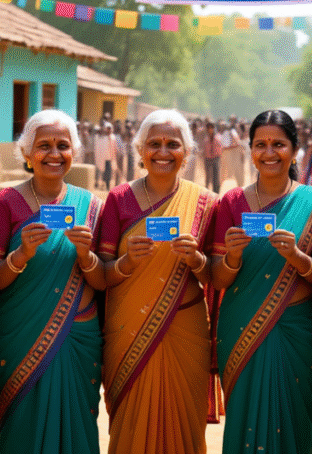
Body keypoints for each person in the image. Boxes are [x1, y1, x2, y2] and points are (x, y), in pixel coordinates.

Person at [212, 109, 312, 454]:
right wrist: (233, 258)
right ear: (249, 150)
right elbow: (217, 279)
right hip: (241, 328)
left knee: (293, 424)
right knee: (246, 420)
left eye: (279, 144)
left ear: (295, 150)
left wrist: (297, 257)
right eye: (261, 144)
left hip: (297, 331)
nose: (269, 153)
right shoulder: (232, 203)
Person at [0, 110, 106, 454]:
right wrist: (20, 254)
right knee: (22, 432)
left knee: (76, 430)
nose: (54, 154)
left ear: (74, 152)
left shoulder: (91, 206)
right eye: (44, 146)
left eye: (62, 145)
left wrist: (86, 256)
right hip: (20, 336)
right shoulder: (5, 204)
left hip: (76, 338)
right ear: (26, 153)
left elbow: (103, 281)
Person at [98, 109, 218, 454]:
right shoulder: (119, 200)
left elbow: (216, 275)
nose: (163, 152)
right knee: (132, 422)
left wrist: (196, 259)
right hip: (128, 328)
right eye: (154, 144)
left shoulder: (206, 203)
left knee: (183, 420)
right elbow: (100, 275)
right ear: (140, 150)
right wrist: (127, 262)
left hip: (186, 329)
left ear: (186, 151)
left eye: (172, 144)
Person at [94, 123, 116, 191]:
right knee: (102, 172)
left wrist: (113, 157)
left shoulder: (112, 137)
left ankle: (107, 186)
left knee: (108, 173)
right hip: (103, 158)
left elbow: (114, 148)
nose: (108, 130)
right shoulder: (103, 137)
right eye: (107, 128)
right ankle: (102, 184)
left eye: (109, 128)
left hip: (110, 158)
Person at [202, 120, 223, 193]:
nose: (210, 129)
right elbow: (204, 149)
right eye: (209, 128)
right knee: (208, 177)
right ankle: (207, 192)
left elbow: (221, 148)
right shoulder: (206, 138)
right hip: (207, 159)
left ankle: (216, 192)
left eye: (211, 127)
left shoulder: (218, 137)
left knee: (216, 177)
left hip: (216, 159)